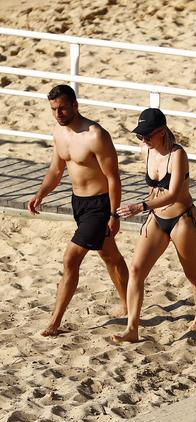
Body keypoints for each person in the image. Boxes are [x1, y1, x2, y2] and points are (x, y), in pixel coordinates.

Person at [28, 84, 129, 337]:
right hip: (79, 204)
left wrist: (114, 214)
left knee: (70, 259)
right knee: (110, 256)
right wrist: (41, 194)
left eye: (62, 107)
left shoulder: (96, 135)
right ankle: (129, 303)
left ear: (75, 105)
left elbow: (113, 177)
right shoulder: (59, 134)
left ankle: (55, 321)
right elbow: (56, 170)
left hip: (100, 205)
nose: (58, 113)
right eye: (53, 109)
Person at [112, 108, 196, 343]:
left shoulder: (177, 155)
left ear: (161, 131)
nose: (143, 140)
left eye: (147, 135)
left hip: (182, 218)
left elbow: (174, 193)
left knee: (193, 273)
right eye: (140, 136)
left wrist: (140, 207)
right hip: (156, 217)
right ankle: (132, 329)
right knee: (136, 269)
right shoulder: (146, 149)